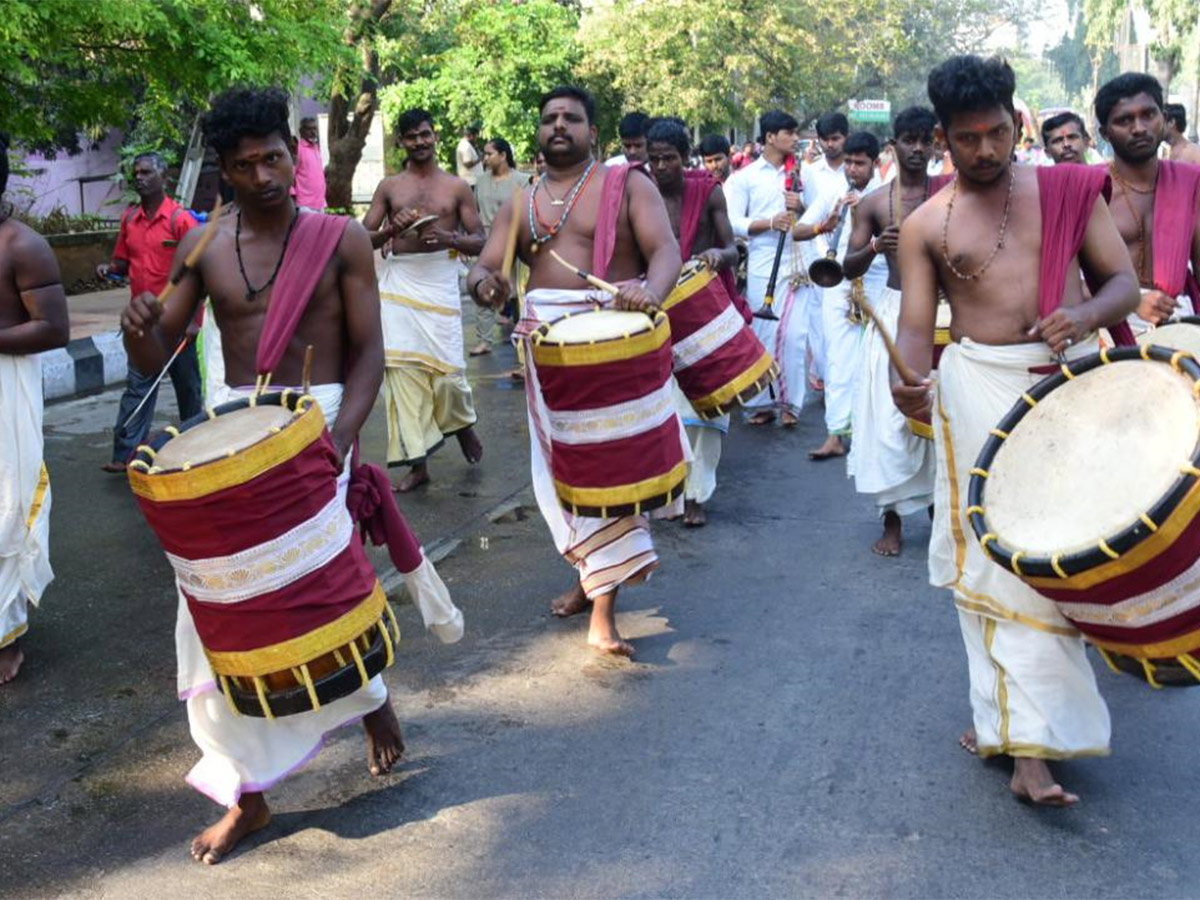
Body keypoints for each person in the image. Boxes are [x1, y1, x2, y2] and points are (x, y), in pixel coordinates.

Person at [118, 87, 409, 862]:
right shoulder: (206, 245)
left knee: (321, 597)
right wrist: (137, 326)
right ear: (224, 172)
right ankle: (246, 797)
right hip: (227, 446)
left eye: (275, 157)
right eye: (246, 165)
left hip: (311, 432)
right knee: (213, 625)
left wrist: (337, 441)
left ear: (292, 153)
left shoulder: (340, 238)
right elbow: (157, 357)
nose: (266, 175)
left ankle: (372, 699)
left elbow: (370, 354)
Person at [892, 55, 1139, 805]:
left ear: (1016, 122)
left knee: (1063, 554)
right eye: (969, 139)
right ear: (943, 139)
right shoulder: (924, 225)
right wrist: (905, 386)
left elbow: (1122, 284)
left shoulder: (1068, 190)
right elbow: (912, 329)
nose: (988, 150)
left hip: (1069, 386)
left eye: (999, 132)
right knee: (997, 568)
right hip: (976, 392)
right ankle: (1027, 747)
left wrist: (1087, 315)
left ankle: (1015, 719)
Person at [467, 86, 683, 657]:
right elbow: (486, 266)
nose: (558, 126)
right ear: (538, 133)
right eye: (548, 119)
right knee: (562, 478)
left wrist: (650, 291)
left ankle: (604, 610)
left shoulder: (626, 184)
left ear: (594, 133)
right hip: (548, 352)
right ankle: (591, 580)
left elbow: (666, 252)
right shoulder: (521, 201)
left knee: (608, 473)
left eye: (572, 118)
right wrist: (486, 285)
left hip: (614, 347)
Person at [363, 108, 486, 492]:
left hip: (439, 280)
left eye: (425, 134)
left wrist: (450, 239)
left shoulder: (456, 187)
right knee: (402, 376)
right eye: (411, 136)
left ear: (435, 137)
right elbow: (361, 238)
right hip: (399, 284)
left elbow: (481, 238)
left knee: (449, 375)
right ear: (401, 141)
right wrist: (389, 231)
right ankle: (418, 464)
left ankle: (461, 423)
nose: (419, 141)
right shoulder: (389, 187)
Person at [842, 106, 941, 556]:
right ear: (894, 144)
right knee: (889, 419)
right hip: (896, 312)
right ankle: (893, 522)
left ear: (936, 143)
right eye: (909, 139)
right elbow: (847, 265)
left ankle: (945, 517)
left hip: (946, 315)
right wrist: (877, 246)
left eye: (925, 139)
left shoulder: (952, 194)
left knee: (944, 420)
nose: (917, 148)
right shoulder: (876, 203)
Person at [646, 118, 742, 527]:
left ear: (685, 158)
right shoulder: (638, 194)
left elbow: (733, 247)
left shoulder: (708, 192)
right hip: (654, 306)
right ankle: (668, 491)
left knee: (704, 404)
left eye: (669, 158)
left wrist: (719, 257)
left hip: (702, 307)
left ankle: (698, 495)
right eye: (654, 160)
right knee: (660, 406)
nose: (661, 167)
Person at [0, 136, 69, 685]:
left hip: (5, 385)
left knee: (7, 506)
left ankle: (8, 635)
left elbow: (53, 327)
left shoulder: (22, 245)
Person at [725, 110, 837, 427]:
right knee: (763, 332)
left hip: (798, 259)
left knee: (794, 335)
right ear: (771, 137)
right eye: (789, 132)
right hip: (763, 260)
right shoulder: (745, 177)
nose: (794, 138)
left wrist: (801, 209)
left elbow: (821, 207)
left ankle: (790, 403)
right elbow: (733, 220)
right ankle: (761, 403)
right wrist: (768, 223)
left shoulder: (804, 173)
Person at [97, 152, 202, 473]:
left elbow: (199, 274)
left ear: (164, 177)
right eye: (135, 173)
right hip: (144, 325)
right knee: (138, 389)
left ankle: (196, 447)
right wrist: (109, 269)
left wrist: (195, 322)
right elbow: (122, 264)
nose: (138, 178)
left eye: (145, 172)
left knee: (188, 389)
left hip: (178, 322)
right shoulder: (130, 219)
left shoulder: (180, 220)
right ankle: (125, 454)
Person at [1096, 73, 1200, 332]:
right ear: (1104, 133)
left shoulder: (1190, 183)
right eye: (1124, 120)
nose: (1139, 128)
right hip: (1108, 325)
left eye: (1148, 115)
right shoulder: (1092, 190)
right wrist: (1134, 301)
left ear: (1164, 118)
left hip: (1178, 322)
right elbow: (1066, 285)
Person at [806, 131, 884, 462]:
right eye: (849, 163)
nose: (852, 170)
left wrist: (866, 215)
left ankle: (876, 435)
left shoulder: (889, 193)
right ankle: (836, 434)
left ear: (875, 163)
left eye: (859, 163)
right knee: (837, 357)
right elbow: (799, 229)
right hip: (838, 279)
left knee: (878, 358)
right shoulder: (832, 191)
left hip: (879, 279)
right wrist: (827, 224)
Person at [470, 137, 532, 357]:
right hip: (488, 240)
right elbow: (475, 212)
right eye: (484, 154)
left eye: (489, 154)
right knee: (484, 286)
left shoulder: (523, 181)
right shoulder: (481, 181)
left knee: (518, 294)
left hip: (516, 241)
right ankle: (484, 340)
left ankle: (524, 346)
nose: (485, 158)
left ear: (503, 155)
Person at [801, 112, 850, 387]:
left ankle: (839, 375)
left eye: (835, 138)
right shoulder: (809, 172)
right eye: (825, 140)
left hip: (848, 256)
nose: (830, 144)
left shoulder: (857, 170)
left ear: (846, 137)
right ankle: (825, 373)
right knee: (817, 318)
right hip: (815, 253)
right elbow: (807, 215)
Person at [292, 116, 327, 211]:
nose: (313, 132)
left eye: (314, 128)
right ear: (301, 131)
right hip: (305, 204)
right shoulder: (297, 148)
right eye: (309, 129)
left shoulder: (316, 148)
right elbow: (290, 175)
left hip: (320, 203)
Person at [455, 123, 482, 187]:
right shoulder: (465, 146)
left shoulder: (468, 145)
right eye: (475, 136)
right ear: (471, 136)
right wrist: (480, 159)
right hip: (470, 182)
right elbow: (467, 164)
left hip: (473, 181)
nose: (476, 139)